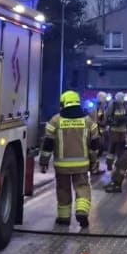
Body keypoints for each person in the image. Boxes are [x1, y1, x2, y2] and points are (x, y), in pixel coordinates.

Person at [39, 90, 101, 228]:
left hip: (61, 166)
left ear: (64, 104)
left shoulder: (55, 121)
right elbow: (95, 144)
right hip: (82, 165)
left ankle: (63, 218)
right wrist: (94, 161)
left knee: (63, 189)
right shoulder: (88, 121)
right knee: (82, 187)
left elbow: (48, 145)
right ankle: (82, 212)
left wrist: (43, 162)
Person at [104, 92, 127, 172]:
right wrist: (112, 122)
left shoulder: (125, 105)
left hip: (122, 130)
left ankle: (120, 164)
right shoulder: (113, 105)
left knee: (121, 148)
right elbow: (107, 115)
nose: (122, 100)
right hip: (114, 130)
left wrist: (126, 122)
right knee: (112, 147)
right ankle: (109, 164)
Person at [89, 91, 110, 176]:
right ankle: (94, 169)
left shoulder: (95, 107)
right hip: (97, 133)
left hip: (94, 132)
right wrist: (107, 123)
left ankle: (94, 168)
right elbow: (100, 121)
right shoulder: (100, 108)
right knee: (97, 151)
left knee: (96, 151)